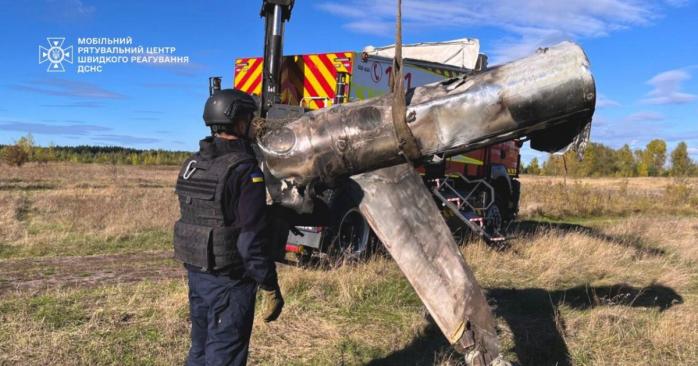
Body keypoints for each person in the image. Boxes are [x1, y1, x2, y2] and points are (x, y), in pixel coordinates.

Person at [173, 88, 284, 366]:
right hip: (230, 282)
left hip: (198, 276)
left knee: (199, 350)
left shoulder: (193, 164)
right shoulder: (245, 170)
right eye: (248, 118)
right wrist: (269, 284)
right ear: (239, 122)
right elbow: (250, 241)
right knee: (225, 355)